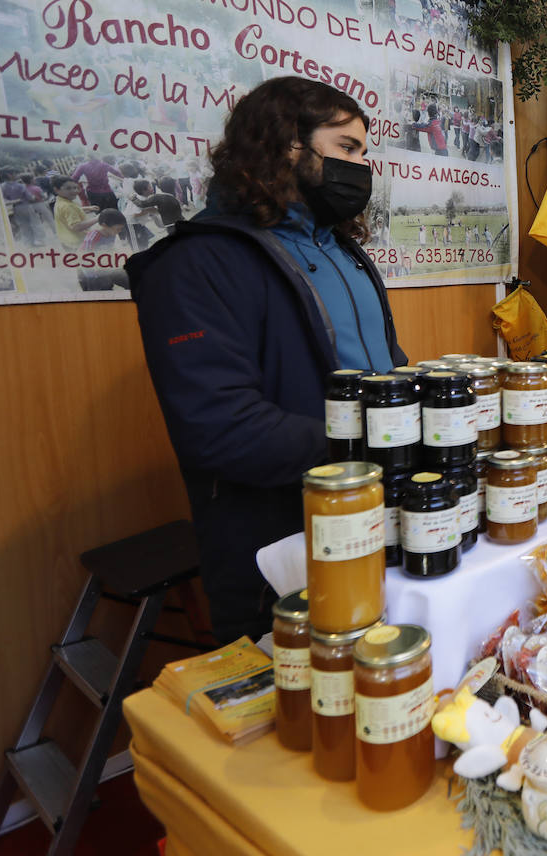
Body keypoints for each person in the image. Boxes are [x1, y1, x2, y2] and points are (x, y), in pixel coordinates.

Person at [127, 76, 405, 642]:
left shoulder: (346, 254)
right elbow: (219, 428)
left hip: (372, 519)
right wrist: (369, 445)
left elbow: (387, 370)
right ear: (287, 146)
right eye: (346, 148)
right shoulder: (197, 263)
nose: (361, 168)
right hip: (276, 545)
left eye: (364, 153)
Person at [52, 176, 98, 250]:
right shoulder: (67, 206)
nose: (75, 191)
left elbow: (69, 212)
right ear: (56, 190)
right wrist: (97, 218)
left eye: (75, 187)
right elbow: (76, 226)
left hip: (66, 240)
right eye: (68, 188)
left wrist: (87, 208)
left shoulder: (61, 201)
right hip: (77, 243)